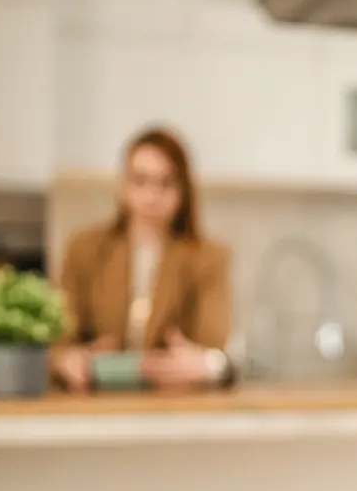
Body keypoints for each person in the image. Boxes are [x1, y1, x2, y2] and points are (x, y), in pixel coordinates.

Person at [51, 126, 234, 392]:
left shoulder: (208, 258)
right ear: (123, 185)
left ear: (184, 190)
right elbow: (58, 342)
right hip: (95, 404)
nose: (151, 196)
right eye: (140, 181)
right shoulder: (85, 250)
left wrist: (207, 362)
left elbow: (214, 347)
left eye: (166, 183)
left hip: (176, 406)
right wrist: (68, 360)